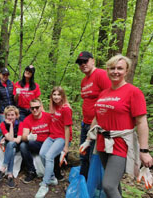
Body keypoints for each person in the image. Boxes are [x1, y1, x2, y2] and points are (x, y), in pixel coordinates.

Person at [80, 55, 153, 197]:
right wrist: (88, 140)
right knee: (114, 184)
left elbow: (141, 122)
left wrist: (144, 151)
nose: (115, 71)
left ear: (127, 71)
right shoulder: (103, 93)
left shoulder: (133, 92)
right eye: (112, 68)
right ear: (107, 70)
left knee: (108, 185)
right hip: (102, 142)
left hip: (120, 143)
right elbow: (97, 117)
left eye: (120, 68)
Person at [75, 51, 111, 180]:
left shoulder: (101, 75)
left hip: (97, 126)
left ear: (93, 60)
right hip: (85, 123)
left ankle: (92, 186)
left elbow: (110, 98)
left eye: (85, 61)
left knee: (93, 158)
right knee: (83, 155)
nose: (83, 64)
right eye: (80, 63)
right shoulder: (84, 80)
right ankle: (82, 183)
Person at [35, 87, 72, 198]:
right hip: (52, 136)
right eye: (54, 94)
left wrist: (66, 146)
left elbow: (67, 128)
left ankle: (45, 184)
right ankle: (51, 178)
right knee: (42, 154)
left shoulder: (66, 109)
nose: (56, 97)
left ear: (62, 96)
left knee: (49, 156)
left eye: (58, 94)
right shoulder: (54, 107)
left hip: (61, 137)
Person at [20, 98, 51, 183]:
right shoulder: (27, 119)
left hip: (48, 143)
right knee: (23, 145)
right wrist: (28, 137)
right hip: (36, 144)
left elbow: (55, 132)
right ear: (30, 109)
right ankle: (31, 171)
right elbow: (23, 136)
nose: (34, 110)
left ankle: (55, 172)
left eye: (37, 107)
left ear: (41, 107)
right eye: (32, 108)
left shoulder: (48, 117)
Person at [0, 106, 23, 188]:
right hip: (8, 146)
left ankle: (3, 169)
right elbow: (11, 139)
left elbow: (18, 140)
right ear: (5, 116)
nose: (10, 117)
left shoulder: (20, 124)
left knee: (11, 145)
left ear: (16, 115)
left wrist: (11, 138)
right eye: (8, 115)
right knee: (11, 147)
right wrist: (10, 125)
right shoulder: (3, 124)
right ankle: (10, 175)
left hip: (17, 146)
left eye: (12, 115)